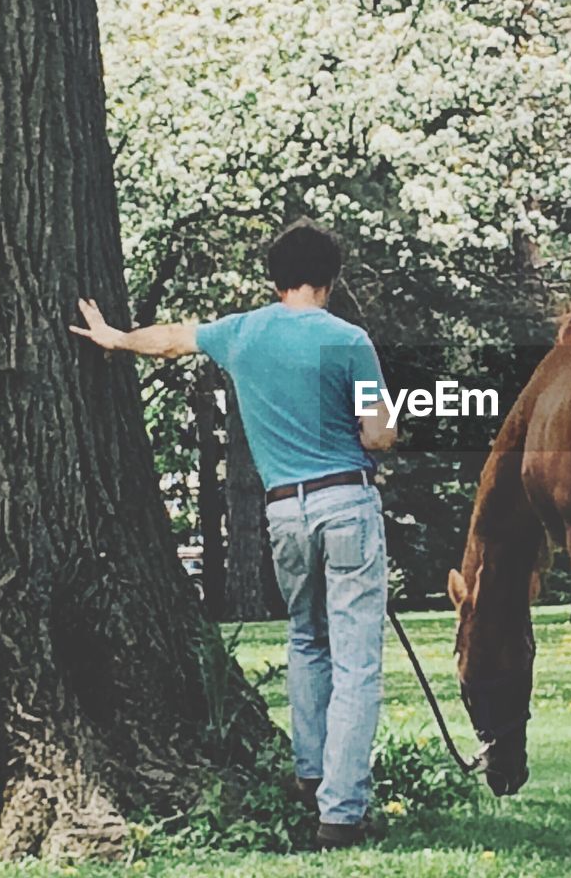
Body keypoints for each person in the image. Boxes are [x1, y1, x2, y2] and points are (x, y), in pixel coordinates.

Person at [71, 218, 395, 850]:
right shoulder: (348, 341)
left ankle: (309, 775)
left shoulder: (240, 332)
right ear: (331, 278)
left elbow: (167, 341)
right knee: (356, 660)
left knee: (307, 640)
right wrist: (386, 430)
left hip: (284, 514)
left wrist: (113, 338)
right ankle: (341, 810)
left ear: (274, 277)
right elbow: (378, 433)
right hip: (345, 504)